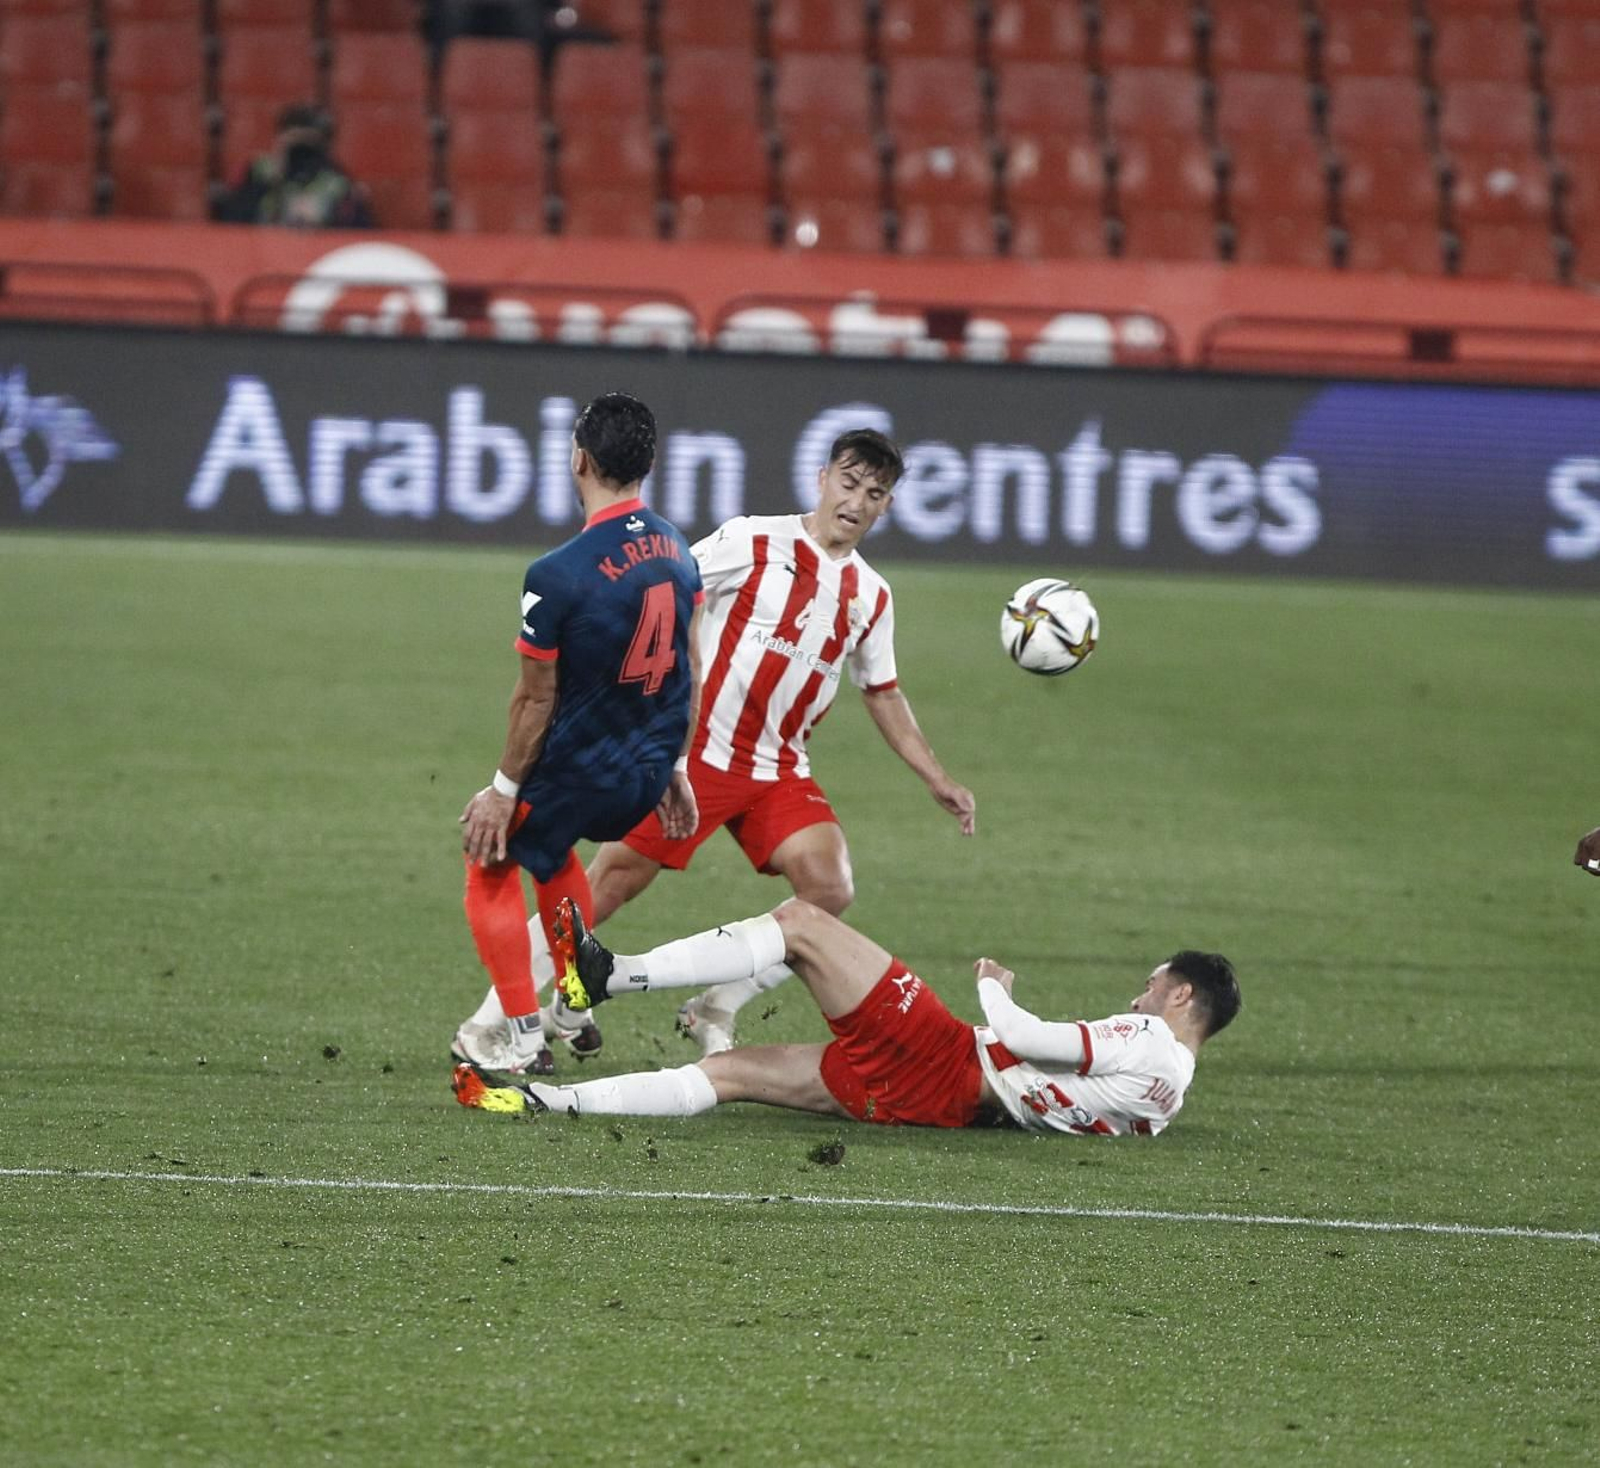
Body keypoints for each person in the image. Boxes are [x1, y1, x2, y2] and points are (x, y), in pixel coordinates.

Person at [450, 427, 976, 1064]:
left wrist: (935, 777)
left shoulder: (872, 594)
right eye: (848, 482)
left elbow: (883, 692)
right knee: (607, 888)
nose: (856, 501)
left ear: (887, 505)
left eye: (874, 492)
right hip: (695, 758)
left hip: (778, 770)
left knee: (830, 888)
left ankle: (716, 1003)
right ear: (821, 477)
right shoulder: (753, 539)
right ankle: (498, 1018)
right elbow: (665, 587)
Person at [452, 897, 1241, 1137]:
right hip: (937, 1108)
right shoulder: (1167, 1098)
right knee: (724, 1076)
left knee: (800, 924)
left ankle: (612, 974)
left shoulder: (1148, 1035)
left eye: (1149, 986)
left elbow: (1027, 1038)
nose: (1137, 998)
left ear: (1180, 997)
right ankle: (542, 1101)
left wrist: (995, 984)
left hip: (945, 1055)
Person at [453, 392, 703, 1076]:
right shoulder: (679, 550)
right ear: (648, 465)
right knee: (552, 854)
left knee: (491, 855)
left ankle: (520, 1036)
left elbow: (535, 699)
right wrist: (677, 766)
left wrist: (503, 790)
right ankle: (573, 1006)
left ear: (579, 460)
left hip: (582, 774)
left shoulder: (555, 574)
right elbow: (693, 662)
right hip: (644, 778)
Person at [213, 105, 373, 230]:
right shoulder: (258, 172)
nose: (301, 152)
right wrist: (271, 178)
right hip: (263, 257)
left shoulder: (338, 184)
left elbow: (357, 242)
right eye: (295, 143)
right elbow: (229, 223)